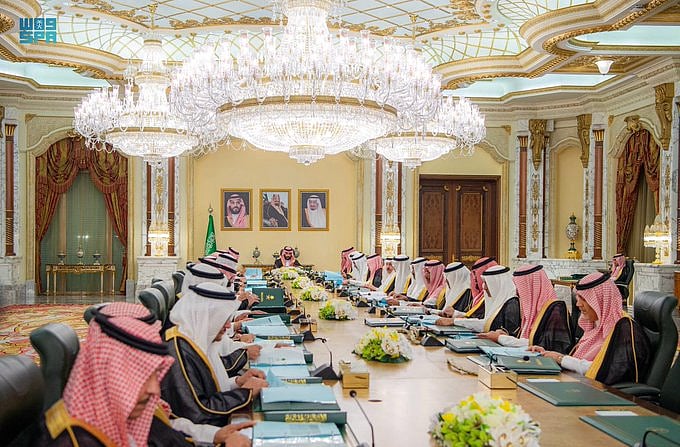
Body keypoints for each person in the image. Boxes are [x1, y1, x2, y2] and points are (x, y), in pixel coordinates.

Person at [36, 302, 254, 447]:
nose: (155, 389)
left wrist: (214, 435)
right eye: (140, 374)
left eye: (155, 374)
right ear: (109, 369)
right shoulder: (75, 440)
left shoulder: (124, 407)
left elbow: (166, 428)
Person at [162, 282, 268, 426]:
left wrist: (238, 382)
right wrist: (245, 393)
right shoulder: (179, 352)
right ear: (207, 318)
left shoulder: (197, 339)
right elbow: (200, 412)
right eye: (222, 320)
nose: (228, 326)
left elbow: (210, 388)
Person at [530, 272, 651, 385]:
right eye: (578, 298)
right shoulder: (595, 328)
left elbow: (605, 371)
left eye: (584, 299)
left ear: (600, 300)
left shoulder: (623, 330)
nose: (578, 304)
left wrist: (561, 359)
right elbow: (578, 361)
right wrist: (548, 355)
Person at [478, 264, 572, 354]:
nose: (517, 291)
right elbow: (527, 340)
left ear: (530, 287)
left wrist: (500, 338)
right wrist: (505, 335)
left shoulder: (555, 311)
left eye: (519, 288)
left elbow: (541, 346)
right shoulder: (531, 311)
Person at [436, 265, 520, 335]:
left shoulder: (512, 303)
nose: (484, 288)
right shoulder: (497, 300)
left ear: (497, 284)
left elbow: (488, 326)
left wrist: (454, 321)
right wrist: (455, 318)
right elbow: (481, 321)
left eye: (487, 283)